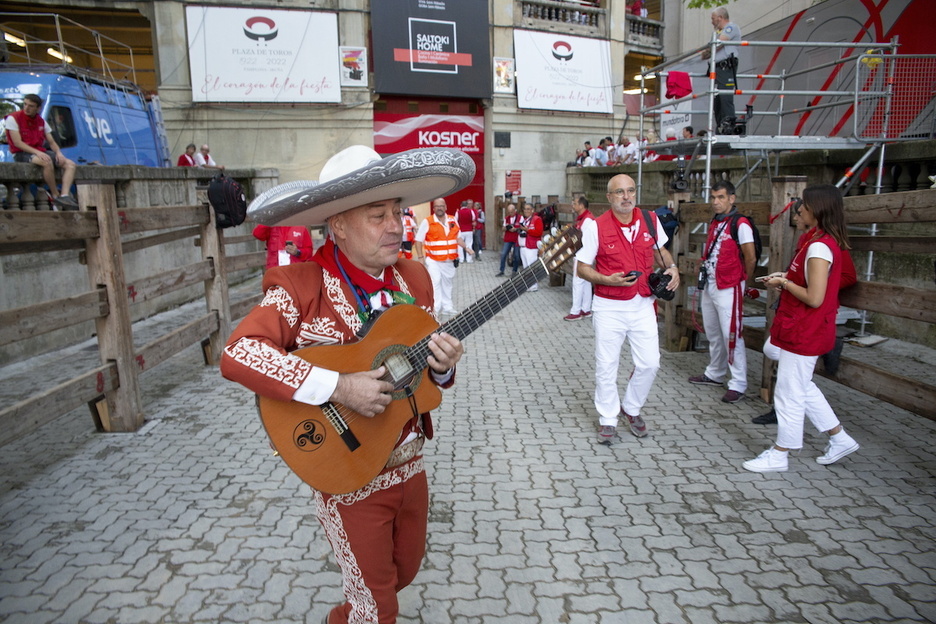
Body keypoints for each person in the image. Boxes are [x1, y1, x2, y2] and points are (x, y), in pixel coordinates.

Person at [220, 144, 473, 624]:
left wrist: (442, 367)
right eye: (378, 216)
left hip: (410, 464)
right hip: (347, 474)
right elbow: (239, 353)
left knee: (402, 574)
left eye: (397, 211)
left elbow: (419, 373)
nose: (396, 226)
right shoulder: (301, 285)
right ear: (337, 225)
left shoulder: (416, 278)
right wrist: (338, 386)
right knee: (378, 607)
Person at [743, 185, 860, 473]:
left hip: (804, 328)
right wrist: (785, 276)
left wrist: (784, 283)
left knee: (789, 393)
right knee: (798, 385)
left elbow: (814, 297)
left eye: (805, 205)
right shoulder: (819, 241)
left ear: (817, 209)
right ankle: (839, 437)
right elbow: (810, 282)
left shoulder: (819, 246)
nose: (800, 210)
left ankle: (781, 453)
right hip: (801, 326)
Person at [575, 174, 680, 443]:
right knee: (606, 365)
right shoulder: (596, 226)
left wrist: (672, 268)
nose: (626, 197)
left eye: (630, 191)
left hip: (643, 303)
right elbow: (582, 268)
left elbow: (660, 252)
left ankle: (631, 407)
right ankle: (608, 418)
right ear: (609, 197)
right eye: (620, 192)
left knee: (650, 363)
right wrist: (606, 279)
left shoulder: (650, 219)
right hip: (609, 306)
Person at [688, 180, 757, 403]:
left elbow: (751, 256)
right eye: (713, 197)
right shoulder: (716, 221)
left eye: (721, 197)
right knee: (712, 331)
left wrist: (743, 281)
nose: (716, 202)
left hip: (730, 284)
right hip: (712, 283)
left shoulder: (741, 224)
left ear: (731, 199)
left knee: (731, 334)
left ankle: (738, 383)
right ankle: (715, 373)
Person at [4, 93, 78, 209]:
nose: (27, 108)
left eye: (31, 106)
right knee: (46, 162)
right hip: (21, 152)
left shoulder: (41, 121)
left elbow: (52, 142)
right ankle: (55, 194)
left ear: (38, 108)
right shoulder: (13, 118)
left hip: (39, 151)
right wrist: (38, 152)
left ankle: (64, 195)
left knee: (70, 165)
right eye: (25, 104)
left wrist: (59, 153)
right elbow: (18, 143)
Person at [414, 197, 473, 315]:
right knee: (435, 282)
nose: (439, 208)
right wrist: (421, 258)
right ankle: (436, 308)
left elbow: (458, 238)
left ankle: (447, 307)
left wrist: (466, 247)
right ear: (433, 208)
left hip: (449, 261)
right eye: (437, 206)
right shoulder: (428, 221)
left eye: (441, 206)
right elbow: (418, 240)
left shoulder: (452, 220)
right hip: (433, 260)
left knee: (447, 284)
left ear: (445, 207)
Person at [702, 7, 741, 131]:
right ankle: (721, 127)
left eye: (713, 18)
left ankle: (729, 126)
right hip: (717, 68)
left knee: (725, 97)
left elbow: (718, 44)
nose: (712, 22)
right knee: (717, 100)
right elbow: (708, 51)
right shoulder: (718, 33)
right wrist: (709, 51)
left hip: (725, 67)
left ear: (720, 18)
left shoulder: (731, 28)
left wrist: (709, 50)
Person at [564, 196, 594, 321]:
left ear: (581, 205)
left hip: (583, 254)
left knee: (577, 282)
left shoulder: (587, 220)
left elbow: (583, 240)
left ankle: (575, 311)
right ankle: (586, 309)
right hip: (583, 253)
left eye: (575, 203)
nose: (573, 205)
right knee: (585, 282)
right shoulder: (584, 219)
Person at [516, 203, 544, 292]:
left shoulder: (537, 219)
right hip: (523, 246)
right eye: (525, 209)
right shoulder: (525, 220)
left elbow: (539, 232)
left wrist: (527, 230)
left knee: (531, 267)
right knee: (526, 267)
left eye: (528, 209)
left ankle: (533, 285)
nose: (526, 211)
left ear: (532, 210)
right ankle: (528, 284)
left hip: (531, 247)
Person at [496, 202, 522, 277]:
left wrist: (515, 229)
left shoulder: (520, 217)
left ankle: (514, 271)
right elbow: (503, 228)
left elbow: (522, 227)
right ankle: (501, 270)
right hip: (508, 238)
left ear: (514, 210)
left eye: (512, 212)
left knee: (516, 256)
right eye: (509, 212)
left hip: (517, 239)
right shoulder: (506, 218)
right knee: (503, 254)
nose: (510, 213)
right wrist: (506, 228)